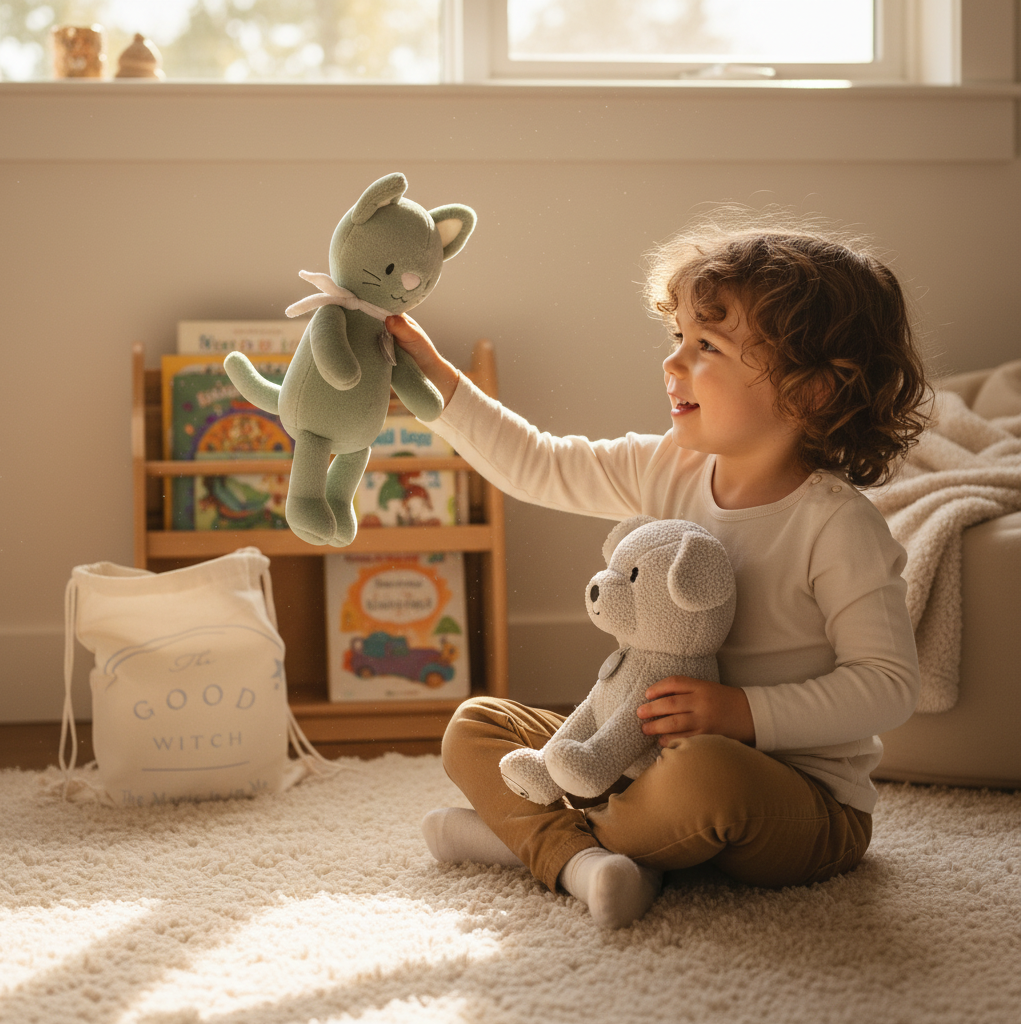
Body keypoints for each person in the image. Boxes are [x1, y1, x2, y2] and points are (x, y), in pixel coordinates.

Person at [385, 220, 930, 930]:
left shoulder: (836, 525)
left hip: (795, 795)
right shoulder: (666, 463)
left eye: (706, 347)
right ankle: (593, 861)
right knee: (477, 726)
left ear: (813, 391)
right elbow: (535, 463)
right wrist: (434, 375)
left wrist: (743, 715)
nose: (673, 365)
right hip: (640, 757)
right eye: (677, 339)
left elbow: (888, 687)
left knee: (706, 772)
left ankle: (529, 840)